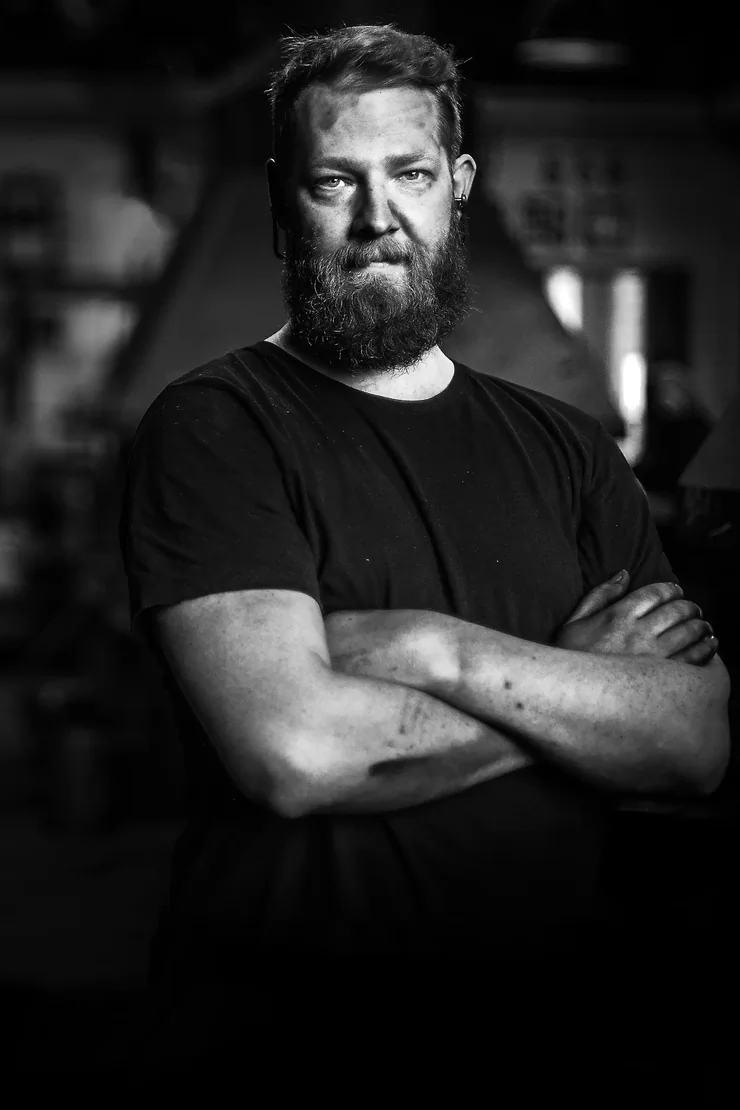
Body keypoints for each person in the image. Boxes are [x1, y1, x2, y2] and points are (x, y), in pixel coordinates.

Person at [119, 24, 730, 1086]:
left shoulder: (569, 448)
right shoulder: (216, 426)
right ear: (280, 203)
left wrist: (432, 649)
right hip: (286, 1033)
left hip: (544, 1024)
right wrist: (575, 683)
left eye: (409, 174)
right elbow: (294, 753)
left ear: (457, 187)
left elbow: (695, 742)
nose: (377, 218)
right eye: (333, 182)